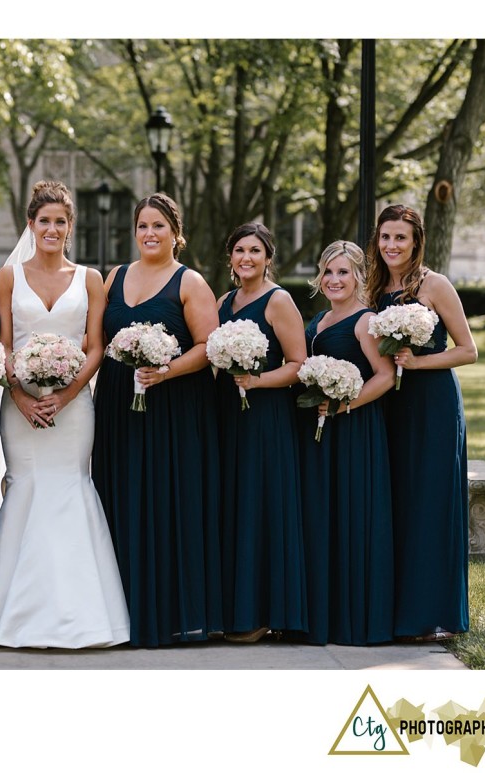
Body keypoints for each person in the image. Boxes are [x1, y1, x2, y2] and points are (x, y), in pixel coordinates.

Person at [0, 181, 130, 648]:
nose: (52, 229)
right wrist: (19, 394)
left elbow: (96, 345)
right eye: (44, 221)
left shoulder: (89, 279)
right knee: (26, 489)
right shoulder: (9, 277)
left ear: (70, 227)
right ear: (31, 224)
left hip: (74, 406)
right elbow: (1, 345)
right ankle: (11, 615)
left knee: (68, 489)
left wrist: (65, 395)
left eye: (61, 221)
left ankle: (81, 617)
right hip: (19, 406)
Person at [91, 193, 222, 648]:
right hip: (116, 405)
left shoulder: (190, 283)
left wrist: (165, 371)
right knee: (119, 496)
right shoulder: (115, 277)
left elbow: (208, 347)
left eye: (159, 226)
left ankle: (165, 613)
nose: (150, 233)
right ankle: (118, 611)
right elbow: (98, 337)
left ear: (175, 233)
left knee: (164, 501)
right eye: (143, 225)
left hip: (170, 409)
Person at [367, 204, 477, 642]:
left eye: (400, 238)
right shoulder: (374, 287)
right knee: (396, 502)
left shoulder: (434, 284)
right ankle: (394, 609)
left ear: (416, 242)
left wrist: (419, 362)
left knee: (430, 504)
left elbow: (468, 350)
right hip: (388, 404)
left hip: (431, 404)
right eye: (385, 237)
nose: (392, 245)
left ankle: (430, 614)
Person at [296, 241, 395, 645]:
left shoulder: (364, 320)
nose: (334, 280)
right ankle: (324, 614)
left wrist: (344, 405)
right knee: (323, 516)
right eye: (329, 272)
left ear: (358, 277)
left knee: (351, 515)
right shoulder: (318, 319)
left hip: (354, 430)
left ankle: (354, 620)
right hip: (319, 432)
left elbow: (385, 376)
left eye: (343, 273)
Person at [216, 222, 307, 643]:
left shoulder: (279, 301)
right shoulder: (223, 301)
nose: (246, 258)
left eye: (255, 250)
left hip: (267, 418)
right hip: (228, 417)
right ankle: (236, 608)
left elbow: (298, 364)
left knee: (262, 506)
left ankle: (266, 611)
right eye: (239, 250)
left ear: (268, 256)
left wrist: (257, 381)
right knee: (234, 506)